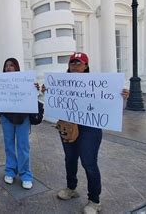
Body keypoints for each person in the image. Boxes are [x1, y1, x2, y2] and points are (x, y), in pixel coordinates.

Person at [43, 52, 129, 214]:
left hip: (90, 129)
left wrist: (122, 97)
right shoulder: (60, 83)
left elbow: (112, 107)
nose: (75, 66)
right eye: (72, 63)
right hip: (68, 126)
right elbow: (54, 100)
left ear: (86, 66)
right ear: (68, 66)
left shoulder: (97, 84)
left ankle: (94, 200)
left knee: (89, 163)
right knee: (70, 159)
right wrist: (47, 90)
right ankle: (71, 188)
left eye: (79, 63)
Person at [0, 58, 41, 189]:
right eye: (6, 66)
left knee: (23, 146)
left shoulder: (25, 82)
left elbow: (32, 97)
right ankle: (10, 171)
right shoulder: (0, 82)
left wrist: (35, 89)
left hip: (22, 117)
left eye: (11, 65)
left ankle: (25, 174)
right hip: (7, 116)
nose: (8, 68)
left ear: (16, 67)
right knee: (9, 144)